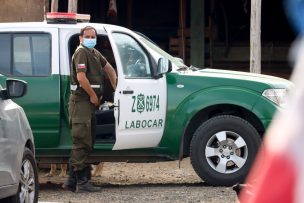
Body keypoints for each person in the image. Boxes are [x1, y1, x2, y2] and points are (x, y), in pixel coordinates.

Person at [62, 26, 117, 193]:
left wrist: (117, 88)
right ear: (80, 38)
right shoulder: (81, 52)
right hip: (81, 102)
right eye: (87, 36)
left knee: (88, 140)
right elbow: (81, 77)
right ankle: (82, 182)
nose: (91, 38)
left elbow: (108, 68)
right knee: (82, 142)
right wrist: (93, 95)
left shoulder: (93, 52)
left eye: (93, 36)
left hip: (89, 104)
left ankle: (71, 180)